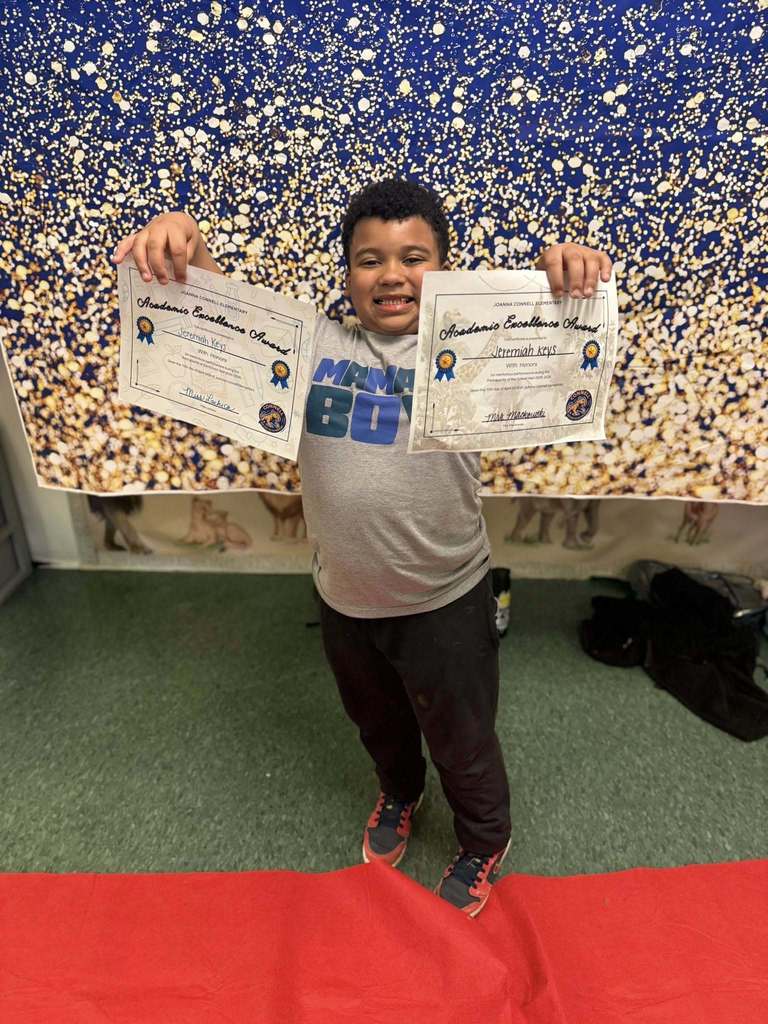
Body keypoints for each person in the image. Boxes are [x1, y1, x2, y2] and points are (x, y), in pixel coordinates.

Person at [113, 179, 612, 917]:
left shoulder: (470, 348)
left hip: (445, 599)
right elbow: (215, 310)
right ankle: (400, 794)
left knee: (464, 740)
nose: (391, 274)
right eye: (369, 259)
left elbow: (563, 335)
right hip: (344, 598)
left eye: (414, 257)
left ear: (444, 270)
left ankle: (483, 838)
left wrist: (570, 278)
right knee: (377, 724)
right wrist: (183, 236)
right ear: (346, 275)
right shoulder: (315, 345)